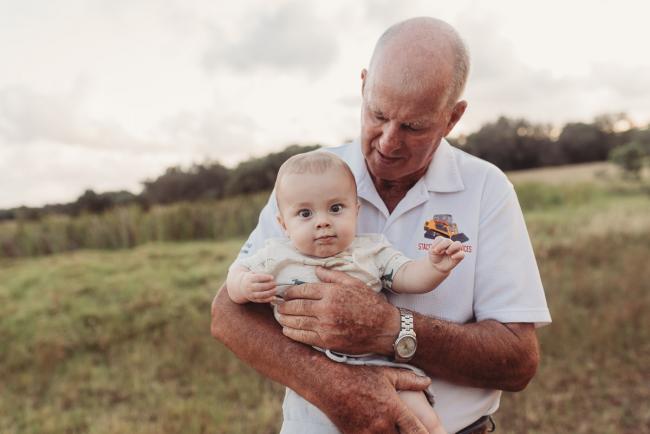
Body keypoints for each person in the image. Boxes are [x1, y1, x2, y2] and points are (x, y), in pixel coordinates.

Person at [212, 16, 551, 434]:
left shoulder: (486, 188)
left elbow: (517, 361)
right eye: (378, 114)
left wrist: (391, 328)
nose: (389, 142)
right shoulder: (309, 181)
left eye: (414, 126)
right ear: (363, 86)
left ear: (452, 117)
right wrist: (339, 389)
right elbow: (229, 313)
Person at [226, 152, 465, 434]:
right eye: (305, 213)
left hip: (376, 360)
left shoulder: (372, 251)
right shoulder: (275, 256)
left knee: (423, 419)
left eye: (336, 208)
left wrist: (435, 267)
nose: (323, 221)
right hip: (312, 377)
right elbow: (235, 275)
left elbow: (407, 277)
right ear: (283, 225)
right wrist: (243, 286)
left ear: (356, 210)